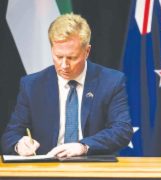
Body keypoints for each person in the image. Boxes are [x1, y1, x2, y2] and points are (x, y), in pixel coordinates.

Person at [1, 13, 133, 157]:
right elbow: (10, 135)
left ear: (87, 51)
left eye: (72, 58)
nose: (64, 65)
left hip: (94, 168)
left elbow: (122, 130)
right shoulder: (32, 85)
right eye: (58, 57)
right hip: (47, 172)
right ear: (52, 49)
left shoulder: (111, 81)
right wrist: (19, 145)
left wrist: (84, 146)